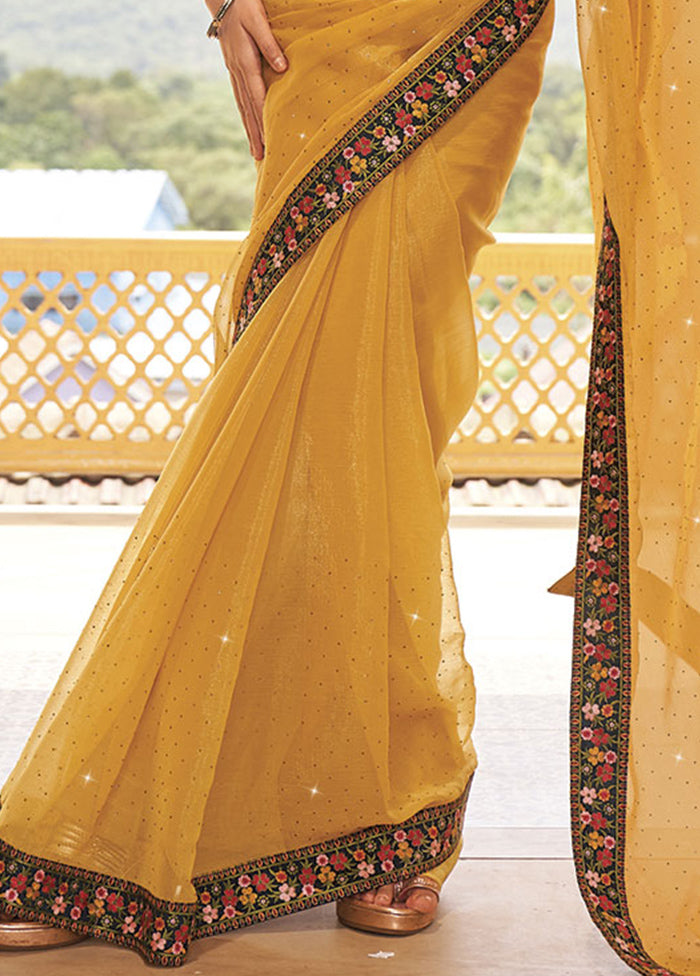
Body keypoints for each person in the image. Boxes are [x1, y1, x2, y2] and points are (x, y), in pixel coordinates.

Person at [0, 0, 554, 964]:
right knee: (299, 364)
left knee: (383, 376)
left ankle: (382, 793)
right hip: (320, 19)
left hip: (472, 19)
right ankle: (142, 804)